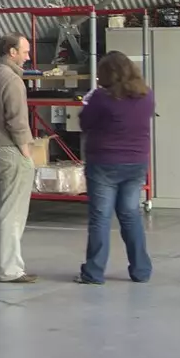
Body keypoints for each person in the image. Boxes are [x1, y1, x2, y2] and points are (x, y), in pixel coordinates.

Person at [75, 51, 154, 284]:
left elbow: (85, 122)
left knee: (100, 218)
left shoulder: (101, 97)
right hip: (136, 163)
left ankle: (94, 272)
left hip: (104, 163)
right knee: (130, 216)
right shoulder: (147, 95)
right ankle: (141, 270)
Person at [0, 33, 36, 284]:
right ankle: (10, 269)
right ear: (12, 52)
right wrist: (26, 152)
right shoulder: (12, 80)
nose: (28, 56)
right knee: (12, 212)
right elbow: (17, 121)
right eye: (24, 51)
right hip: (10, 151)